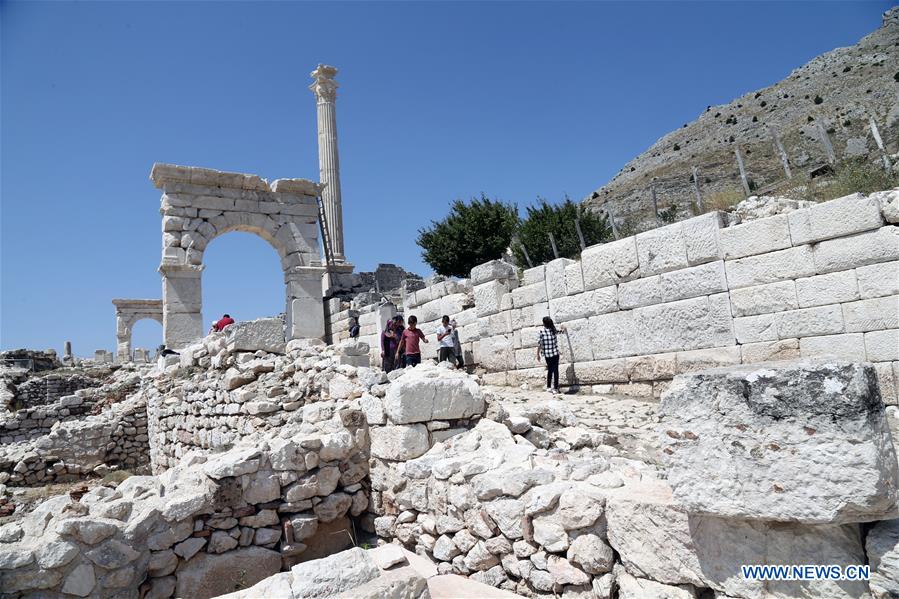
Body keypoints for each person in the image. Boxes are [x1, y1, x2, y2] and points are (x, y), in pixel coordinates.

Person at [537, 316, 565, 394]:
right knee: (555, 370)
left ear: (544, 324)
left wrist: (538, 354)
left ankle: (549, 387)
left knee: (550, 369)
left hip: (547, 355)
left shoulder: (541, 331)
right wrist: (563, 328)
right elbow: (561, 332)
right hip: (555, 353)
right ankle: (555, 388)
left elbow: (539, 344)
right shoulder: (553, 330)